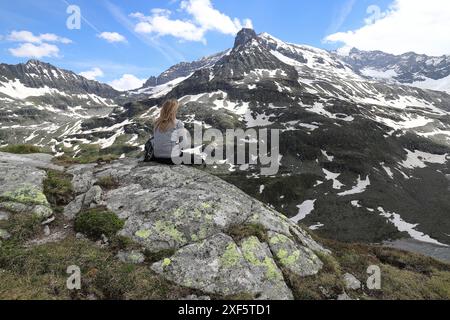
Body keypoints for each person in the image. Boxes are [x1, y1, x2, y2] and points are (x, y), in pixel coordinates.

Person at [151, 99, 188, 165]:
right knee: (196, 158)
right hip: (171, 158)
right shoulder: (178, 123)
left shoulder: (156, 123)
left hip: (156, 157)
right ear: (174, 111)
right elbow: (184, 144)